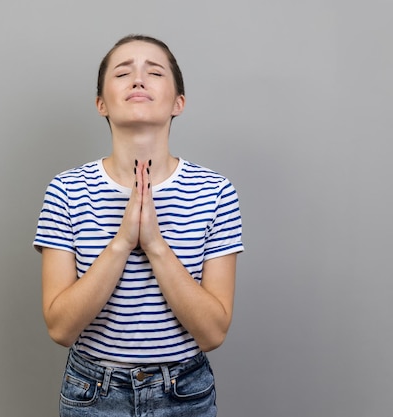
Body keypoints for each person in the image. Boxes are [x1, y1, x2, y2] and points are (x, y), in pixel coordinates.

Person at [33, 34, 244, 417]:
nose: (138, 79)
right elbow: (60, 328)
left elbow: (213, 333)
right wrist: (122, 241)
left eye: (155, 71)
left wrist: (156, 245)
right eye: (123, 72)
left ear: (178, 102)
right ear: (101, 104)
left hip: (185, 394)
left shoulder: (215, 191)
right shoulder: (65, 190)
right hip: (92, 394)